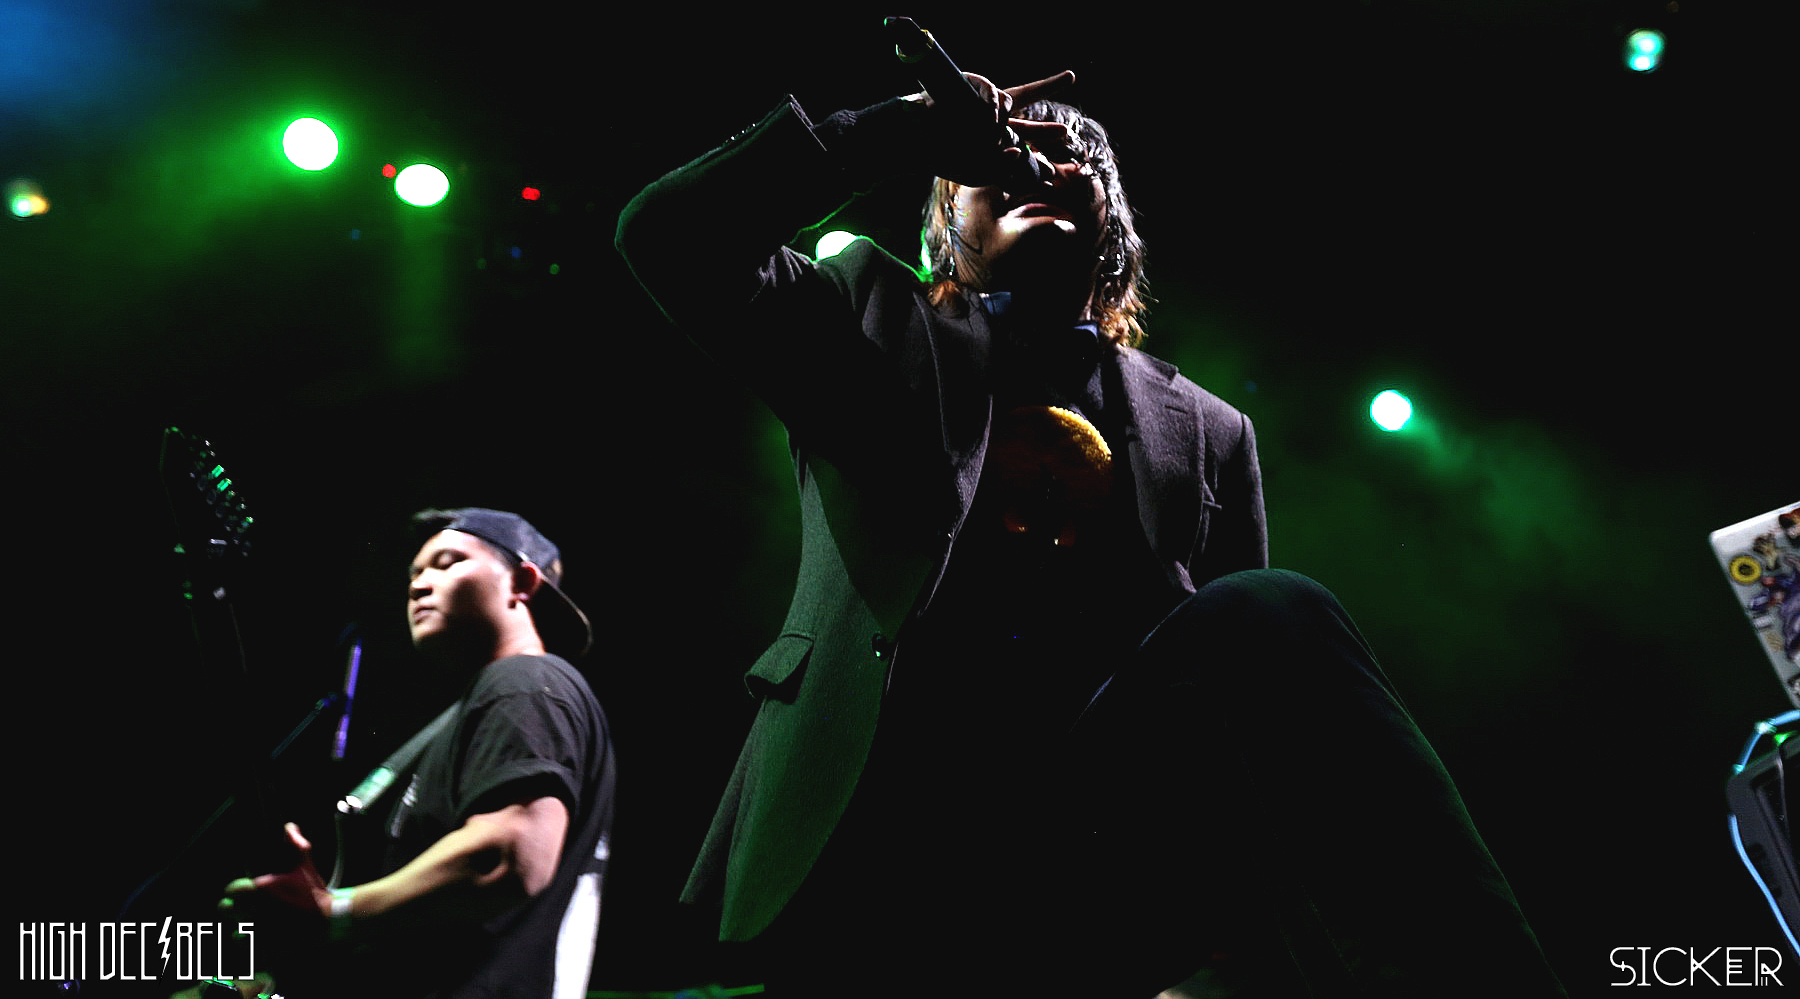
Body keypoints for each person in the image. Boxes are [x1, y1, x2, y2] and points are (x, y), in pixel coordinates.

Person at [616, 60, 1563, 996]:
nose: (1039, 162)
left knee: (1272, 611)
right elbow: (668, 234)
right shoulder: (867, 315)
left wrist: (1229, 963)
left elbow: (1249, 743)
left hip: (1086, 844)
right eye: (1001, 154)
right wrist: (896, 132)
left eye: (1074, 156)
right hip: (882, 822)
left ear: (1111, 219)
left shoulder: (1213, 431)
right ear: (947, 215)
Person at [222, 508, 616, 998]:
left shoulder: (524, 682)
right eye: (414, 573)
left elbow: (506, 856)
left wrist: (330, 913)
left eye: (448, 563)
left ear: (521, 583)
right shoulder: (475, 712)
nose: (418, 585)